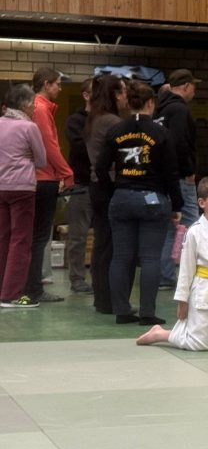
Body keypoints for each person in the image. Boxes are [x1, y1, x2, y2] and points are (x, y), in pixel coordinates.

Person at [93, 81, 183, 325]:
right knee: (151, 258)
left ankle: (122, 310)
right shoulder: (161, 133)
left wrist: (114, 189)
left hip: (121, 197)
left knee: (121, 257)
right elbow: (171, 173)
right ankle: (147, 313)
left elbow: (100, 168)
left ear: (129, 103)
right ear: (150, 103)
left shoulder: (116, 130)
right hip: (152, 200)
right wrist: (177, 205)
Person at [137, 177, 208, 350]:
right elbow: (186, 270)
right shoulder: (195, 232)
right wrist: (182, 302)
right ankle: (161, 334)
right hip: (204, 291)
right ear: (201, 203)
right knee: (200, 344)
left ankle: (190, 329)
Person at [26, 67, 75, 303]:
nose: (60, 88)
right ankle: (34, 289)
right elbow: (49, 147)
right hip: (43, 179)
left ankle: (24, 285)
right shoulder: (42, 109)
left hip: (32, 178)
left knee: (28, 236)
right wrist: (67, 173)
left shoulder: (33, 107)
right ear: (46, 84)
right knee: (39, 237)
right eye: (57, 84)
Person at [0, 84, 47, 307]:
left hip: (0, 188)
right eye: (33, 104)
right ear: (26, 104)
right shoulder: (29, 128)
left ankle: (2, 289)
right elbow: (41, 160)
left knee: (3, 239)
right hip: (22, 189)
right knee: (21, 241)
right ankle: (11, 294)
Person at [155, 69, 201, 289]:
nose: (195, 90)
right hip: (181, 178)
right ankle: (189, 272)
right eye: (193, 86)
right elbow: (180, 143)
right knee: (191, 223)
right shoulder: (180, 110)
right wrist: (189, 170)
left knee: (170, 225)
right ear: (185, 86)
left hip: (163, 177)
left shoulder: (159, 111)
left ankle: (165, 274)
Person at [85, 75, 128, 314]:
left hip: (97, 186)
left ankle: (102, 297)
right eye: (121, 92)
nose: (124, 97)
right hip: (108, 185)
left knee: (102, 243)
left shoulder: (95, 118)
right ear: (113, 94)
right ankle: (107, 299)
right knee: (110, 245)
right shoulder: (112, 121)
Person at [64, 77, 94, 294]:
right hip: (82, 184)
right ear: (86, 95)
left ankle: (101, 278)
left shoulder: (109, 120)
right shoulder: (75, 121)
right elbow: (79, 148)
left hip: (104, 185)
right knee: (78, 236)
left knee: (104, 235)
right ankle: (77, 278)